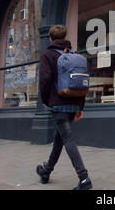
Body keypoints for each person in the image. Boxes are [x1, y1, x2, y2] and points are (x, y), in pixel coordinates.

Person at [36, 25, 92, 190]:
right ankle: (46, 171)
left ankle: (84, 179)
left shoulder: (48, 55)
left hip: (58, 103)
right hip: (74, 102)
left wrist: (47, 101)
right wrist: (80, 106)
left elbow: (44, 81)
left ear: (51, 39)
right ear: (65, 36)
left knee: (67, 139)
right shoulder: (74, 54)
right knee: (59, 139)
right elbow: (81, 82)